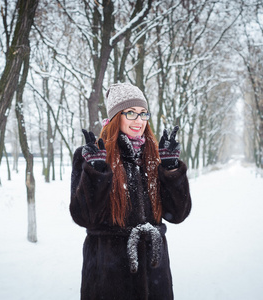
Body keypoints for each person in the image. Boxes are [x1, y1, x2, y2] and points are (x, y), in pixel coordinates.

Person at [70, 82, 192, 300]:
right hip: (108, 276)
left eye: (143, 114)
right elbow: (84, 217)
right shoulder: (91, 155)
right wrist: (96, 173)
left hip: (155, 276)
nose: (139, 121)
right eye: (131, 113)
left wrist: (171, 169)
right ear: (116, 116)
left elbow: (178, 214)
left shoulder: (155, 155)